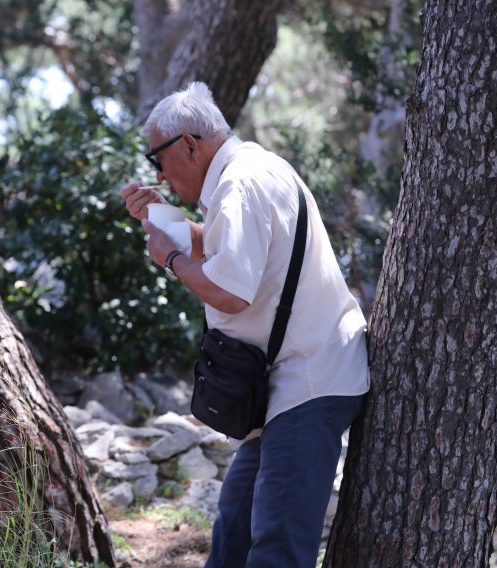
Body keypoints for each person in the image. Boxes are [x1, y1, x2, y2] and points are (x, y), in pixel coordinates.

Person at [121, 82, 370, 567]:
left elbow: (230, 291)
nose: (159, 173)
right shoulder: (249, 170)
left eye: (158, 160)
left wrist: (169, 259)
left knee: (276, 550)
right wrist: (160, 215)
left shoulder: (240, 184)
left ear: (189, 145)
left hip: (307, 383)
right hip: (286, 388)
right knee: (233, 535)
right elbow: (221, 250)